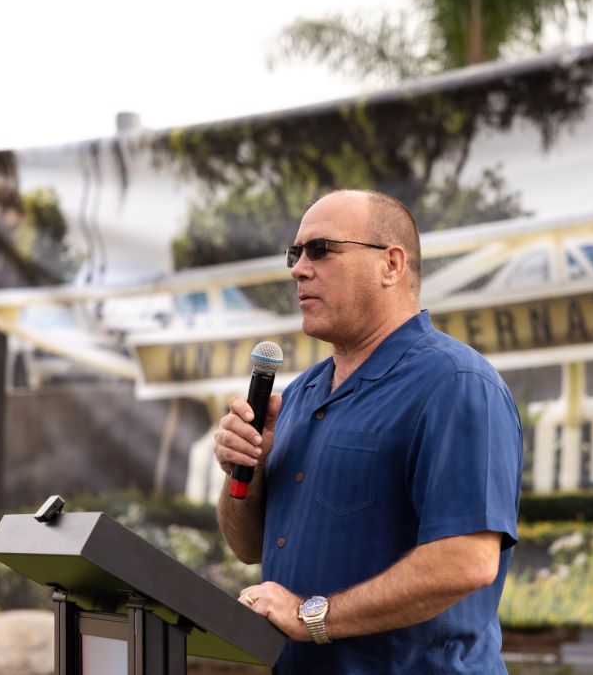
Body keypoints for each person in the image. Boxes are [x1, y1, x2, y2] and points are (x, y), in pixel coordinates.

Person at [214, 189, 523, 673]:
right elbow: (247, 547)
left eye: (320, 249)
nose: (298, 269)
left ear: (392, 265)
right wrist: (244, 473)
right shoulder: (295, 397)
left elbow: (466, 561)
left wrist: (314, 616)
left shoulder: (456, 384)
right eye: (295, 254)